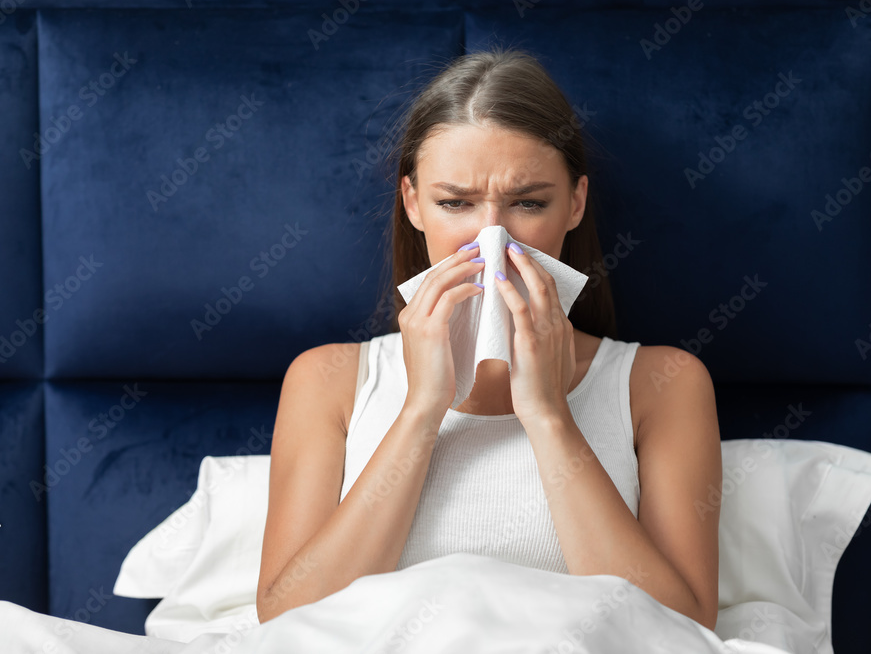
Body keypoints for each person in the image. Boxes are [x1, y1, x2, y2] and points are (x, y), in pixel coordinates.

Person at [256, 46, 721, 630]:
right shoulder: (329, 381)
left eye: (529, 202)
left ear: (575, 203)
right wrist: (422, 410)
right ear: (413, 203)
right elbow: (288, 621)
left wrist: (548, 415)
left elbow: (683, 628)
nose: (492, 239)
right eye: (455, 203)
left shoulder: (662, 384)